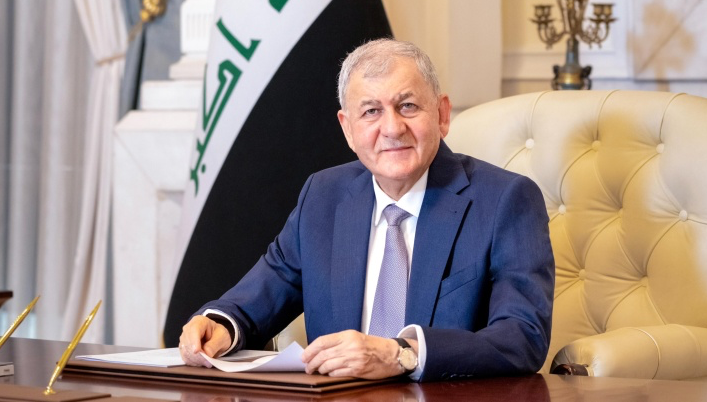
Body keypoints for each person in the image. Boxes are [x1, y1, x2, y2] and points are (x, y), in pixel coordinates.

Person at [178, 39, 554, 382]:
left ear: (442, 115)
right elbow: (259, 296)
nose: (392, 128)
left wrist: (402, 354)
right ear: (348, 129)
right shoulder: (323, 197)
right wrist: (219, 325)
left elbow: (523, 337)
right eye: (371, 111)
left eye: (408, 106)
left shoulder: (506, 200)